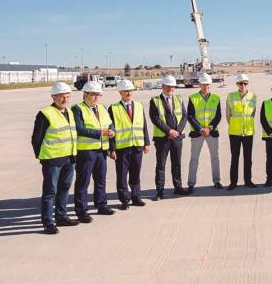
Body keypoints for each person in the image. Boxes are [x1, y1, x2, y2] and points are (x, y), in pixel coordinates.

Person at [32, 82, 79, 234]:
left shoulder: (70, 112)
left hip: (69, 158)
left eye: (67, 96)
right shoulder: (45, 114)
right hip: (52, 160)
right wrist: (43, 157)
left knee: (64, 189)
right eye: (61, 97)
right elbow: (36, 139)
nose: (65, 99)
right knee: (50, 192)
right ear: (53, 97)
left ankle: (62, 216)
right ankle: (48, 222)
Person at [72, 81, 115, 221]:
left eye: (98, 94)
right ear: (85, 94)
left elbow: (109, 123)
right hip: (86, 151)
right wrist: (100, 133)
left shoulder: (102, 107)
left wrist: (112, 131)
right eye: (93, 94)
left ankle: (101, 205)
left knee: (101, 180)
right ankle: (81, 210)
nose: (96, 97)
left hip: (102, 150)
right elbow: (79, 128)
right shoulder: (77, 109)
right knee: (83, 182)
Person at [109, 80, 150, 210]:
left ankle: (136, 197)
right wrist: (112, 148)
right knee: (121, 175)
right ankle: (124, 200)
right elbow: (111, 130)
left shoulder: (138, 105)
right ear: (120, 92)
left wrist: (146, 142)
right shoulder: (113, 108)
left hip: (137, 145)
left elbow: (143, 125)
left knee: (135, 173)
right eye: (126, 91)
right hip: (122, 148)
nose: (129, 93)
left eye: (131, 90)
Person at [150, 75, 189, 200]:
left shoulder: (178, 99)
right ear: (162, 87)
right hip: (162, 138)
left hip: (177, 137)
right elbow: (155, 119)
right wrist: (169, 131)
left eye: (173, 87)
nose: (171, 89)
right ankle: (159, 191)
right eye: (168, 87)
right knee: (161, 165)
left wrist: (177, 131)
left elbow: (184, 116)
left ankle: (178, 187)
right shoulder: (155, 100)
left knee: (176, 164)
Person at [186, 73, 222, 193]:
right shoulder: (193, 98)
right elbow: (190, 116)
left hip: (211, 132)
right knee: (194, 158)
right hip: (198, 133)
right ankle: (191, 184)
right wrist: (201, 129)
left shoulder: (216, 98)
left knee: (215, 158)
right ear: (199, 84)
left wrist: (209, 128)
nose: (205, 86)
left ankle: (216, 181)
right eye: (203, 84)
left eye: (207, 84)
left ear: (209, 84)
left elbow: (218, 116)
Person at [226, 74, 258, 191]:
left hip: (248, 132)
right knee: (235, 158)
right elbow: (228, 115)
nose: (243, 85)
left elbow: (253, 113)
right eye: (240, 83)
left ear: (247, 84)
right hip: (234, 132)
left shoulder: (253, 96)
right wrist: (236, 125)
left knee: (248, 158)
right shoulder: (231, 96)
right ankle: (233, 182)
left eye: (245, 83)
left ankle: (248, 181)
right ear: (237, 84)